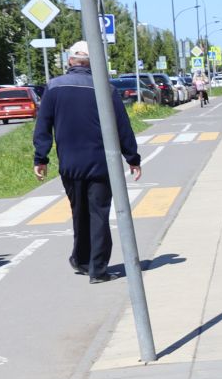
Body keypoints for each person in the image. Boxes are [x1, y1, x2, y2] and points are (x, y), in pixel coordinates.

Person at [33, 41, 141, 283]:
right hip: (101, 163)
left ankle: (81, 260)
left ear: (70, 62)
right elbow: (122, 127)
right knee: (99, 214)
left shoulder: (53, 88)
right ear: (92, 63)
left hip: (69, 164)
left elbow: (43, 126)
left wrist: (41, 158)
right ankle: (98, 269)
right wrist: (132, 158)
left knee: (79, 212)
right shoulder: (105, 89)